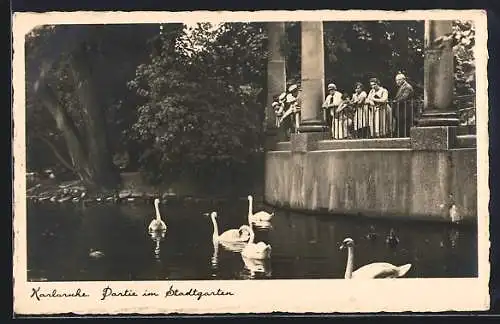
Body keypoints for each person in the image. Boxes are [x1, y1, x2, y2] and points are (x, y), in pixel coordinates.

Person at [393, 73, 414, 137]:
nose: (397, 82)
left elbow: (404, 97)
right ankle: (401, 136)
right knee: (400, 124)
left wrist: (395, 101)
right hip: (401, 108)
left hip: (405, 108)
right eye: (396, 80)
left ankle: (405, 137)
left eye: (399, 80)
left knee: (405, 124)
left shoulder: (407, 87)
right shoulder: (402, 87)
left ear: (403, 79)